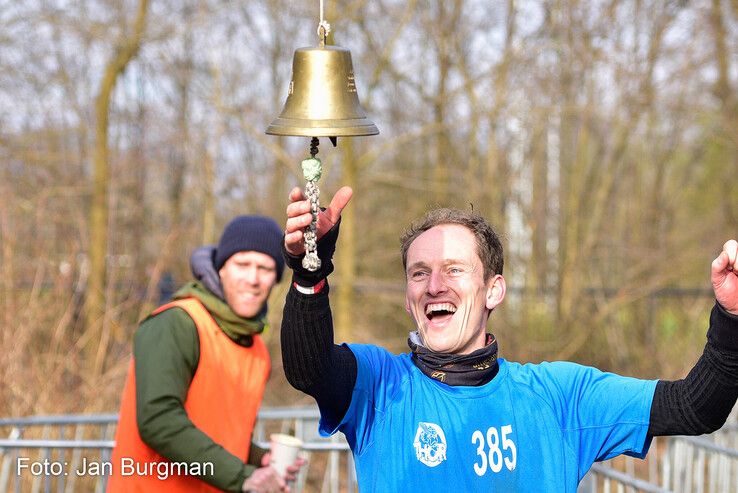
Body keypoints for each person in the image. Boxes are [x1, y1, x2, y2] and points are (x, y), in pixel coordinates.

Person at [280, 186, 738, 492]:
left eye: (454, 269)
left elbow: (695, 407)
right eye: (419, 274)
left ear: (493, 290)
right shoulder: (381, 387)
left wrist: (732, 316)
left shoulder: (560, 396)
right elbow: (308, 367)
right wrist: (309, 269)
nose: (434, 285)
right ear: (408, 298)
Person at [108, 215, 304, 493]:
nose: (253, 278)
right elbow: (159, 421)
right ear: (221, 268)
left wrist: (260, 460)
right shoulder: (177, 323)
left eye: (265, 268)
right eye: (242, 264)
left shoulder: (258, 350)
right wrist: (242, 477)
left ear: (275, 279)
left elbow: (221, 431)